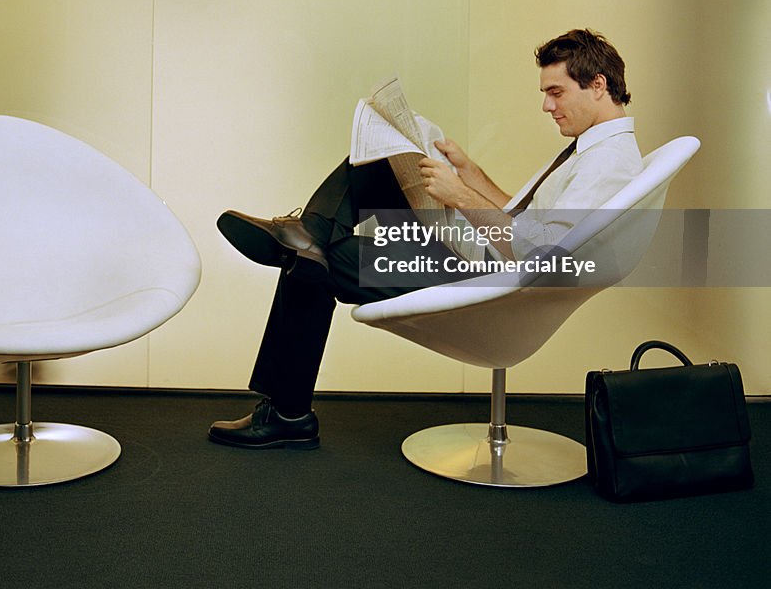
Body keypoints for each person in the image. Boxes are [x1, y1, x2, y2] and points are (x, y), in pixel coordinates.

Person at [208, 29, 643, 450]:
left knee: (319, 260)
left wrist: (460, 196)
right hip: (489, 256)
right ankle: (308, 236)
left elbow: (544, 256)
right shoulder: (594, 148)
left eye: (556, 91)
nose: (547, 105)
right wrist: (471, 174)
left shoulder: (607, 163)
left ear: (598, 85)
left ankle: (287, 411)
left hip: (491, 278)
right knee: (373, 170)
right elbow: (531, 221)